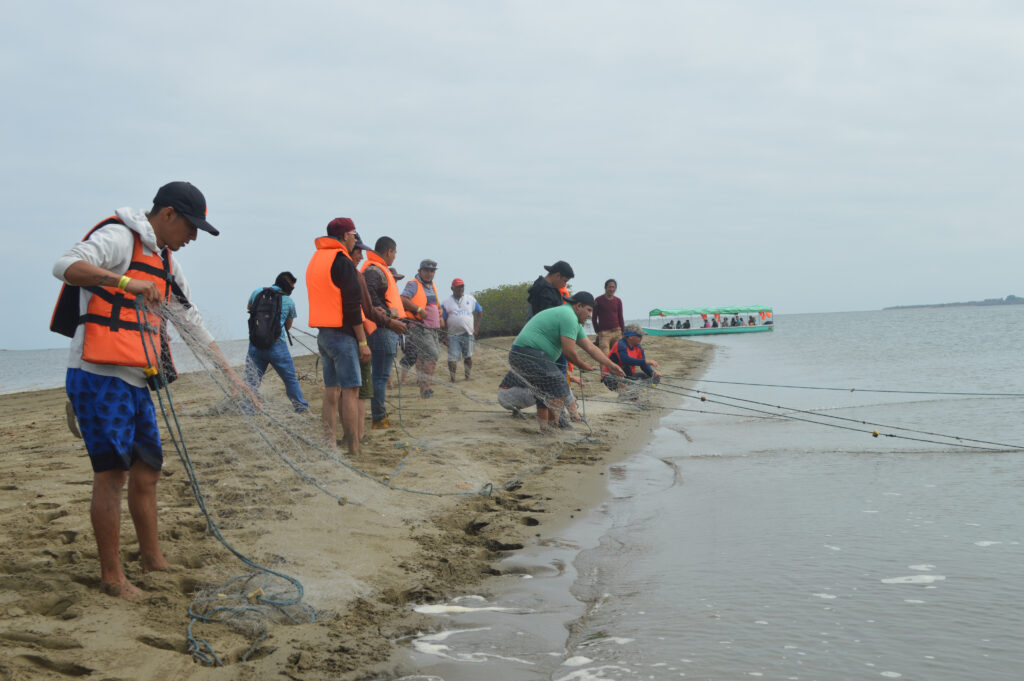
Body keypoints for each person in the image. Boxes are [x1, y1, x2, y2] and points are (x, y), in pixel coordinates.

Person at [51, 181, 250, 600]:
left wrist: (233, 378)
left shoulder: (166, 263)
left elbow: (191, 321)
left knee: (148, 469)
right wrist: (125, 283)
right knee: (112, 474)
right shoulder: (119, 236)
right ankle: (112, 578)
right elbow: (65, 265)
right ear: (168, 215)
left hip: (138, 377)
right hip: (97, 374)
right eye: (191, 227)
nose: (193, 237)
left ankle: (152, 557)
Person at [509, 291, 624, 432]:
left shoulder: (573, 320)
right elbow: (568, 352)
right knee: (559, 383)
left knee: (545, 391)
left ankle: (546, 429)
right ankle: (554, 427)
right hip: (525, 354)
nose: (590, 315)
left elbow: (591, 348)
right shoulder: (568, 315)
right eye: (588, 310)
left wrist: (611, 366)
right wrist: (581, 365)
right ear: (578, 306)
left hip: (525, 355)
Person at [305, 217, 372, 454]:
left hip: (323, 335)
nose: (355, 238)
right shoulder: (342, 261)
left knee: (332, 391)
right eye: (354, 234)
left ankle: (329, 445)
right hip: (343, 335)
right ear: (345, 236)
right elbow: (352, 306)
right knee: (351, 391)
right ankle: (353, 446)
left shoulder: (317, 259)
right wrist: (362, 341)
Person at [360, 237, 409, 429]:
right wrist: (388, 316)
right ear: (389, 251)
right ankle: (379, 418)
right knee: (380, 376)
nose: (395, 256)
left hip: (386, 328)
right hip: (382, 330)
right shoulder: (374, 270)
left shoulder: (377, 269)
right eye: (395, 253)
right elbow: (368, 296)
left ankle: (379, 413)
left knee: (379, 375)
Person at [244, 272, 309, 412]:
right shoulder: (289, 301)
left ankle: (248, 408)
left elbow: (249, 308)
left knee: (251, 379)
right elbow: (288, 326)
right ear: (288, 287)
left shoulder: (257, 292)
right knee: (290, 379)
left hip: (255, 343)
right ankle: (301, 407)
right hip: (277, 345)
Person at [401, 259, 444, 398]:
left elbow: (435, 305)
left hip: (432, 328)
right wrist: (419, 309)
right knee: (433, 354)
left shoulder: (432, 286)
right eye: (426, 270)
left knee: (431, 356)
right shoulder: (414, 284)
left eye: (432, 271)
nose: (429, 273)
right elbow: (403, 299)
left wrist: (440, 313)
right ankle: (424, 388)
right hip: (419, 327)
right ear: (420, 271)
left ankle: (426, 389)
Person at [440, 278, 482, 382]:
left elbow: (480, 312)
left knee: (468, 356)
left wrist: (476, 328)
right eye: (458, 286)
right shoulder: (446, 302)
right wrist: (444, 336)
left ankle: (467, 377)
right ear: (452, 288)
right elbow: (443, 319)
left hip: (468, 333)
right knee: (452, 358)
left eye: (462, 286)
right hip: (452, 335)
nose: (460, 288)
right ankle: (453, 378)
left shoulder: (470, 299)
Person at [602, 324, 661, 393]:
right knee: (626, 370)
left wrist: (652, 372)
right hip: (611, 377)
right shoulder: (621, 345)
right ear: (630, 336)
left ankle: (632, 392)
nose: (641, 338)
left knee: (650, 377)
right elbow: (626, 360)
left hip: (627, 376)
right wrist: (645, 361)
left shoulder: (639, 348)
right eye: (639, 336)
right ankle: (626, 392)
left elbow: (644, 366)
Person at [592, 279, 625, 354]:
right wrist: (598, 331)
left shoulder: (618, 301)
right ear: (605, 287)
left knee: (617, 356)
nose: (611, 289)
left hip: (617, 332)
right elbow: (594, 318)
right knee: (604, 357)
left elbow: (620, 317)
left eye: (613, 287)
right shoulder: (598, 300)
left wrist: (623, 331)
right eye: (610, 287)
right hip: (604, 333)